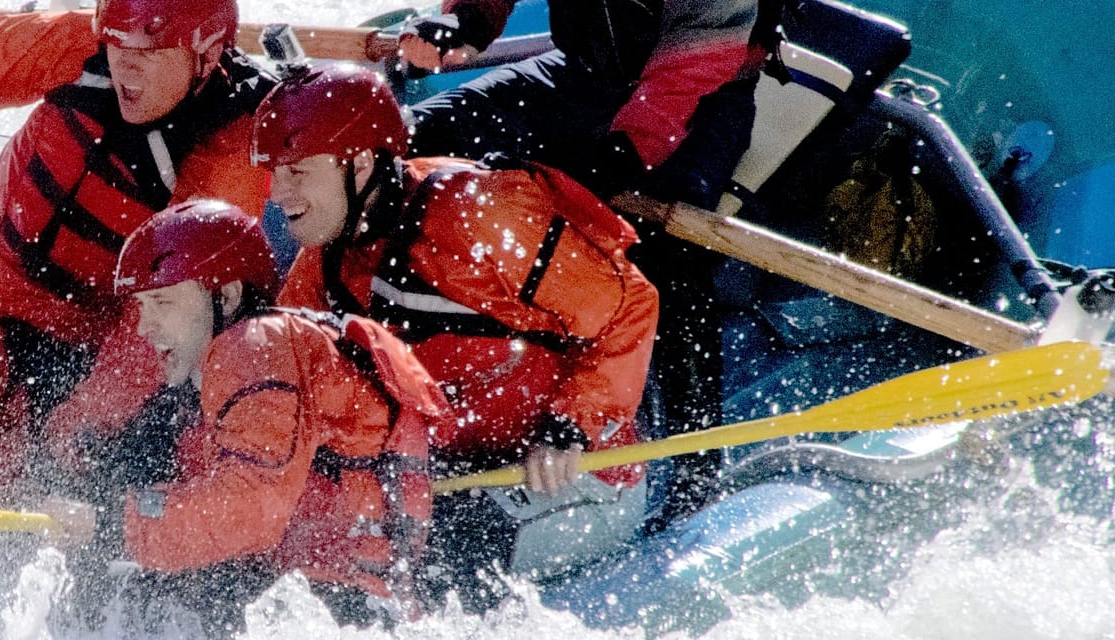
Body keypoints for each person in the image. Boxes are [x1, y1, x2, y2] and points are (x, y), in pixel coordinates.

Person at [250, 64, 660, 611]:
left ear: (364, 163)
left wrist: (570, 428)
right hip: (448, 473)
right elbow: (285, 383)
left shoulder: (480, 214)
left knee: (429, 554)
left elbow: (630, 307)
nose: (277, 194)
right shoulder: (325, 256)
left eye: (297, 171)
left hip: (568, 476)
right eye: (276, 172)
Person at [0, 0, 280, 499]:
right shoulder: (75, 43)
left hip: (82, 345)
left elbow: (172, 307)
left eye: (148, 51)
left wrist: (87, 413)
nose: (125, 64)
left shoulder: (233, 146)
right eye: (116, 43)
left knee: (79, 456)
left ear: (205, 57)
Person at [400, 0, 769, 527]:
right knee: (414, 135)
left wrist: (625, 151)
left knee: (661, 256)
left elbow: (702, 49)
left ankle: (696, 469)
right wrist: (468, 20)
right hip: (585, 76)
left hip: (703, 91)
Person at [42, 200, 450, 634]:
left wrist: (110, 522)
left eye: (162, 301)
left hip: (337, 601)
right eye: (141, 307)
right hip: (315, 587)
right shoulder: (241, 357)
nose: (144, 327)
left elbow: (250, 507)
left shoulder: (255, 348)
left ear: (229, 293)